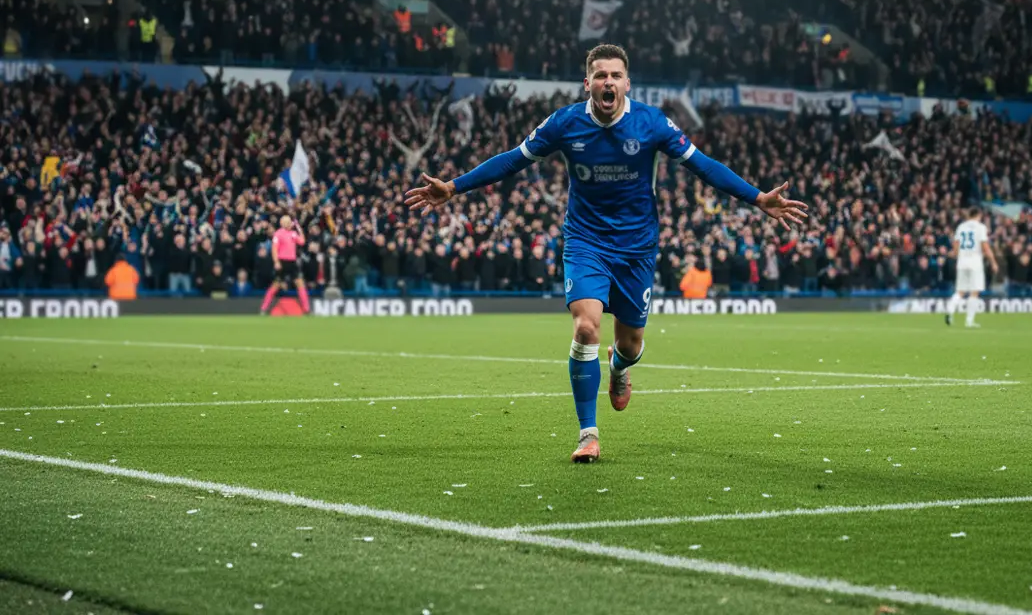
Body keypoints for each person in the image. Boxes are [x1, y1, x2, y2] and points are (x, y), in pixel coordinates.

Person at [405, 44, 808, 463]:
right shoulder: (565, 123)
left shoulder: (652, 123)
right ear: (588, 83)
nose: (608, 82)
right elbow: (512, 161)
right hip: (586, 242)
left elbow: (703, 165)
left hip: (637, 248)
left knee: (630, 344)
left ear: (627, 83)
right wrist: (453, 187)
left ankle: (620, 366)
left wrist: (757, 197)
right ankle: (588, 434)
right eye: (600, 75)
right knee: (585, 329)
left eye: (615, 75)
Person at [946, 207, 998, 328]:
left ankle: (950, 310)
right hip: (975, 262)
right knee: (974, 292)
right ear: (978, 215)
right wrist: (993, 262)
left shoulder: (961, 227)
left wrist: (957, 254)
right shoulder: (980, 227)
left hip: (962, 262)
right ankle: (969, 321)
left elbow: (955, 247)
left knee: (960, 291)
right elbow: (985, 246)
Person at [261, 214, 310, 314]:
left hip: (292, 262)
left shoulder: (293, 233)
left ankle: (307, 309)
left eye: (290, 222)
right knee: (275, 285)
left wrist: (298, 227)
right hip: (282, 261)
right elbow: (274, 249)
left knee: (300, 284)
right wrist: (276, 262)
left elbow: (302, 241)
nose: (289, 223)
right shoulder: (278, 234)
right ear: (282, 223)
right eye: (287, 222)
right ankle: (264, 308)